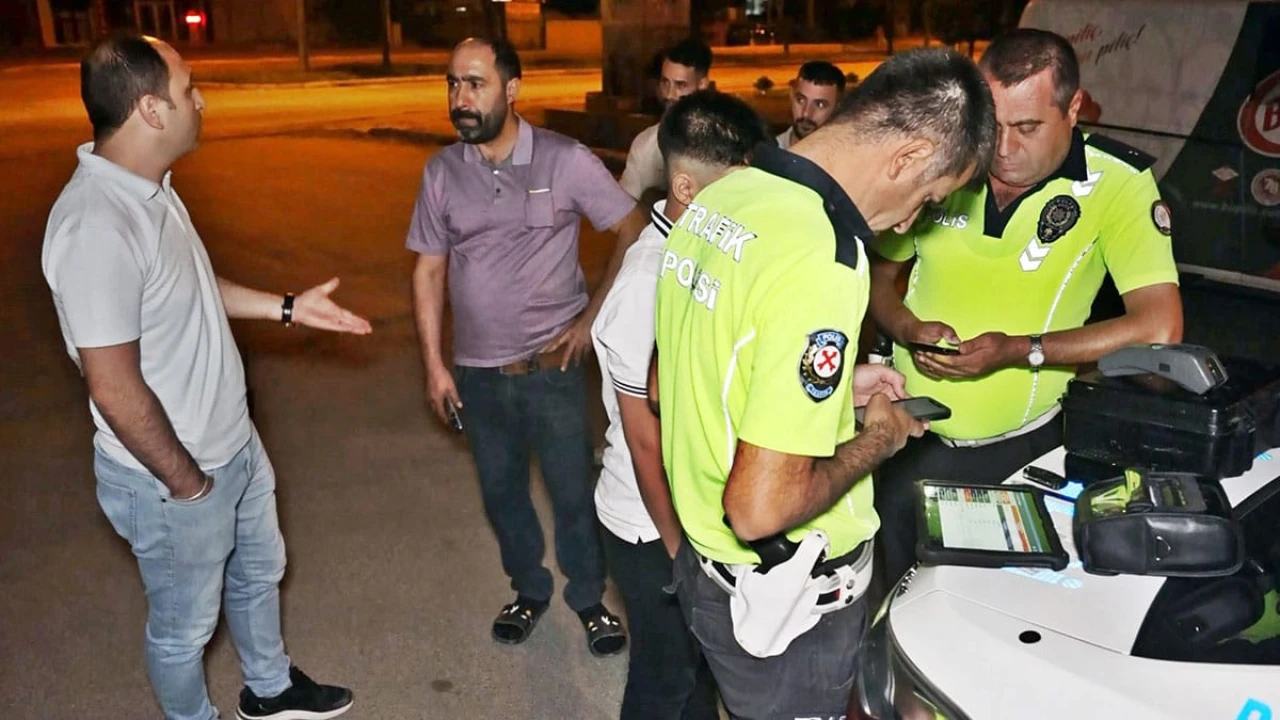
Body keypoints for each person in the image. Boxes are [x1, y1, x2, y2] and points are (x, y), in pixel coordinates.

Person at [652, 48, 996, 720]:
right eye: (928, 198)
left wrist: (834, 390)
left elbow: (682, 382)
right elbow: (759, 509)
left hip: (706, 573)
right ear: (908, 156)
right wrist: (879, 439)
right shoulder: (825, 256)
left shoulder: (724, 195)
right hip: (786, 611)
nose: (908, 223)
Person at [42, 33, 367, 720]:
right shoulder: (97, 226)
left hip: (232, 442)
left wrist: (286, 307)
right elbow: (114, 388)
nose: (201, 102)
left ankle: (270, 691)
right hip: (175, 476)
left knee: (258, 574)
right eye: (189, 90)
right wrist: (188, 485)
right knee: (184, 630)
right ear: (151, 109)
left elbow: (185, 287)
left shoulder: (150, 188)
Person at [868, 28, 1184, 584]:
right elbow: (879, 275)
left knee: (982, 606)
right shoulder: (955, 158)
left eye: (1028, 127)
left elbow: (1160, 327)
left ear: (1074, 108)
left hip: (1018, 455)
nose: (1003, 148)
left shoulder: (1117, 183)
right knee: (896, 597)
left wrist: (1020, 350)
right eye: (994, 124)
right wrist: (907, 326)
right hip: (905, 434)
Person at [407, 37, 648, 657]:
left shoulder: (564, 161)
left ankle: (590, 599)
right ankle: (529, 590)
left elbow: (632, 228)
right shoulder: (441, 172)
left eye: (475, 83)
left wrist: (592, 318)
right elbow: (428, 270)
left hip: (552, 369)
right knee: (502, 494)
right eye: (452, 83)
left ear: (512, 89)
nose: (460, 98)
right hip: (478, 375)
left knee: (573, 494)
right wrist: (434, 365)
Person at [592, 89, 768, 720]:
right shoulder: (649, 278)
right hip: (650, 525)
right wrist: (679, 550)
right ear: (687, 188)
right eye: (736, 191)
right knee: (662, 685)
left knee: (695, 681)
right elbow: (644, 435)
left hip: (688, 514)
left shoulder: (699, 257)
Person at [619, 38, 713, 202]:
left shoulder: (725, 141)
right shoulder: (645, 143)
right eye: (665, 83)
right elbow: (625, 207)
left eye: (680, 85)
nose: (669, 94)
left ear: (702, 84)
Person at [777, 60, 846, 150]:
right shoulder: (766, 153)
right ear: (791, 96)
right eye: (801, 100)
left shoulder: (848, 155)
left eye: (820, 105)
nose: (806, 113)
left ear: (837, 108)